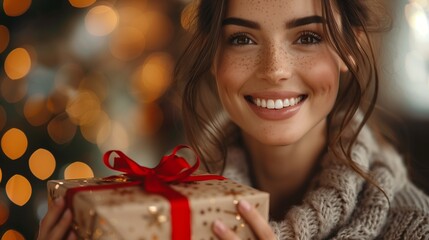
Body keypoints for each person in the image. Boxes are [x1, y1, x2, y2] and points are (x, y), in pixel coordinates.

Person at [38, 0, 429, 239]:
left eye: (308, 36)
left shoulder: (414, 227)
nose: (274, 70)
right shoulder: (165, 214)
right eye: (242, 39)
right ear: (212, 55)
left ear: (352, 49)